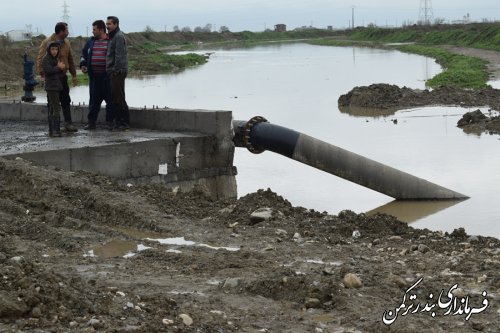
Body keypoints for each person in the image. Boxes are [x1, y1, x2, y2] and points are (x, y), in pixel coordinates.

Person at [36, 22, 78, 132]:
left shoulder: (67, 43)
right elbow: (40, 59)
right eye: (67, 30)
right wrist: (42, 74)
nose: (68, 32)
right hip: (52, 78)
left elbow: (70, 59)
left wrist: (74, 75)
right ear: (61, 32)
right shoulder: (47, 42)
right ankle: (54, 127)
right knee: (52, 104)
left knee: (65, 100)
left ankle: (68, 124)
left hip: (63, 77)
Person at [80, 20, 113, 130]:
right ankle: (91, 123)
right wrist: (83, 64)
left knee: (110, 101)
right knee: (93, 101)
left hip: (107, 78)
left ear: (101, 29)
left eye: (94, 29)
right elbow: (84, 54)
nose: (92, 32)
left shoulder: (111, 41)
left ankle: (110, 122)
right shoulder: (90, 41)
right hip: (94, 78)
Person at [106, 16, 130, 130]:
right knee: (115, 97)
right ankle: (118, 122)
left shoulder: (118, 36)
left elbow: (119, 56)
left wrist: (115, 71)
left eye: (109, 24)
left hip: (118, 72)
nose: (107, 26)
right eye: (107, 24)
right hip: (115, 72)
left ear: (116, 24)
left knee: (119, 98)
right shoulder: (113, 36)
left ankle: (124, 123)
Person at [42, 42, 66, 137]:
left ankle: (52, 130)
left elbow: (57, 73)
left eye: (56, 49)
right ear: (49, 50)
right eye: (52, 49)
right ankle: (56, 130)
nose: (54, 51)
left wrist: (61, 69)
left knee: (53, 108)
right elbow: (49, 71)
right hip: (51, 87)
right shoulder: (46, 59)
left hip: (56, 86)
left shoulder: (55, 59)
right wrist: (59, 67)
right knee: (56, 108)